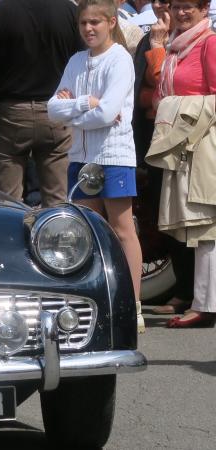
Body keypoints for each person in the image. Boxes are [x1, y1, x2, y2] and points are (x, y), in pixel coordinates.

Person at [48, 0, 144, 333]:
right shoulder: (76, 60)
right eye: (84, 23)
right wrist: (84, 104)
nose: (89, 29)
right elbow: (52, 109)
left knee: (121, 228)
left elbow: (108, 113)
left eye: (95, 22)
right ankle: (94, 301)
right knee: (86, 229)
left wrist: (74, 116)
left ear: (111, 22)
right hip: (81, 156)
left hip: (113, 155)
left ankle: (133, 304)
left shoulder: (120, 59)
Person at [0, 0, 81, 208]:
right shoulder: (70, 11)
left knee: (8, 201)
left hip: (12, 113)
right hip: (58, 109)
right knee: (58, 201)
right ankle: (58, 228)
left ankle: (13, 227)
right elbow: (83, 60)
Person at [143, 0, 216, 328]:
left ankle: (206, 305)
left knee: (205, 225)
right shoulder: (176, 48)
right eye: (177, 7)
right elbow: (159, 94)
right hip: (183, 146)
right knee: (191, 226)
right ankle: (196, 298)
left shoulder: (209, 43)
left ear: (204, 9)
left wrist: (174, 106)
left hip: (203, 144)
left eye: (189, 7)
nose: (182, 13)